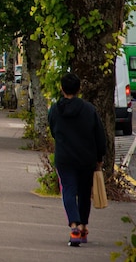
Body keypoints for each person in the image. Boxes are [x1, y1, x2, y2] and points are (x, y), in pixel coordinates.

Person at [48, 72, 107, 247]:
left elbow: (53, 131)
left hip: (65, 157)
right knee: (83, 193)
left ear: (61, 88)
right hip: (86, 158)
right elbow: (99, 135)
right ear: (79, 89)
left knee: (68, 189)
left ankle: (73, 226)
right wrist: (99, 157)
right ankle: (83, 226)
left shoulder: (55, 110)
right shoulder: (89, 110)